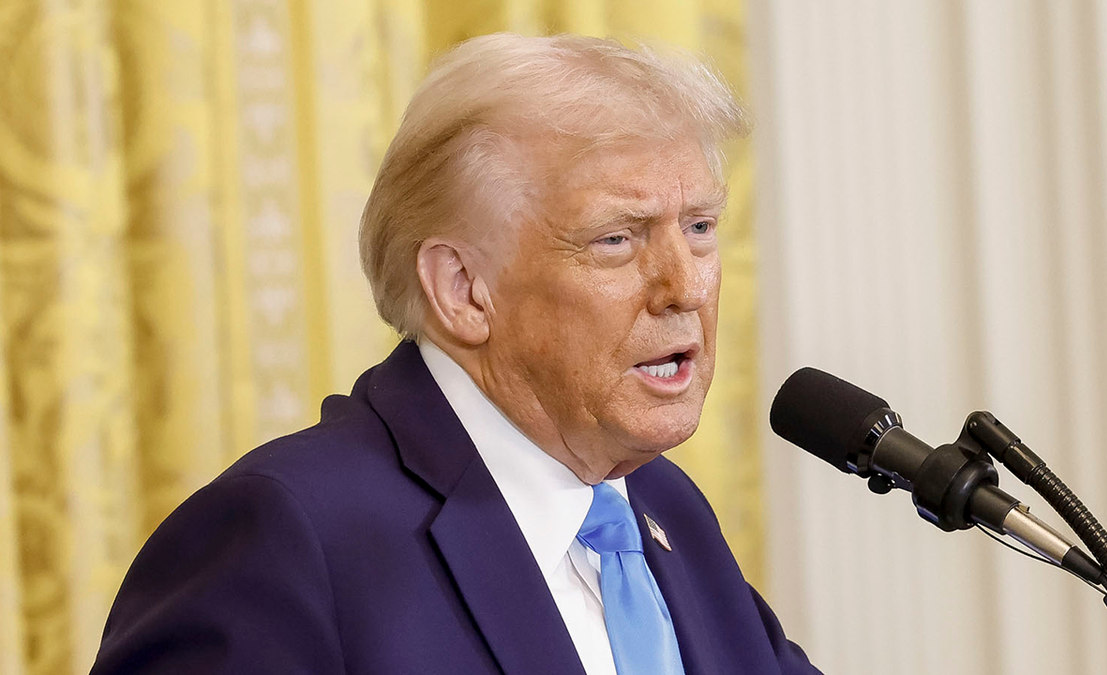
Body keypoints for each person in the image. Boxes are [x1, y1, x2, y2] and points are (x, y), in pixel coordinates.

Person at [90, 33, 822, 675]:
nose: (687, 285)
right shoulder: (289, 541)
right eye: (617, 239)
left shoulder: (663, 508)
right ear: (464, 289)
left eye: (699, 226)